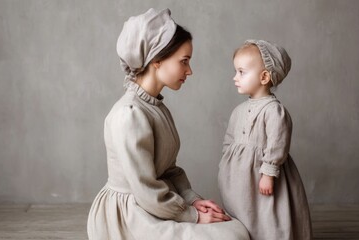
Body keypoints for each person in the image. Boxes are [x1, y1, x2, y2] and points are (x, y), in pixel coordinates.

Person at [87, 8, 250, 240]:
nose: (189, 70)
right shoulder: (129, 114)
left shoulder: (156, 107)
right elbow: (145, 190)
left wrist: (193, 199)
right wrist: (191, 214)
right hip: (131, 214)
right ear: (157, 60)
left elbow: (169, 170)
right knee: (232, 236)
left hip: (157, 202)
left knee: (236, 229)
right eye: (184, 61)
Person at [218, 39, 313, 240]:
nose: (235, 77)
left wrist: (268, 172)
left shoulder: (274, 111)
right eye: (236, 71)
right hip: (239, 179)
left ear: (264, 77)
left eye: (241, 72)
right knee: (243, 212)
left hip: (261, 175)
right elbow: (229, 139)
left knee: (267, 212)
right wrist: (225, 165)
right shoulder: (238, 111)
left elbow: (278, 144)